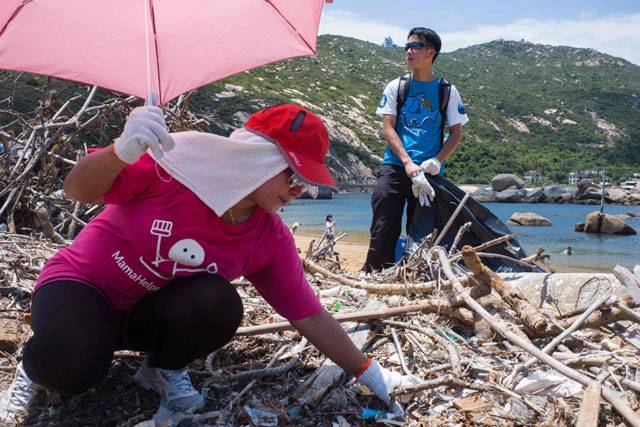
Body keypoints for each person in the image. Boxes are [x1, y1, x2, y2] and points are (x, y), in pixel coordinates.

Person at [0, 104, 418, 423]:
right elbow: (77, 189)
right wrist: (121, 151)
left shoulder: (267, 236)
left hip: (143, 316)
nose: (298, 194)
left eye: (305, 185)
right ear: (259, 160)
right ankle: (34, 368)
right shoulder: (167, 168)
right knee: (73, 370)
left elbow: (308, 315)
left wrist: (370, 374)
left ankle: (162, 369)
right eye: (293, 178)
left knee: (219, 303)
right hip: (82, 286)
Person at [363, 27, 469, 272]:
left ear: (431, 52)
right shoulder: (396, 86)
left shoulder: (447, 91)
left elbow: (456, 133)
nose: (409, 51)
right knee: (383, 227)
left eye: (416, 46)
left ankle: (414, 277)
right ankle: (375, 275)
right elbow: (388, 128)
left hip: (428, 174)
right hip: (396, 167)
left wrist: (437, 160)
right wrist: (407, 163)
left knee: (423, 234)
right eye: (407, 46)